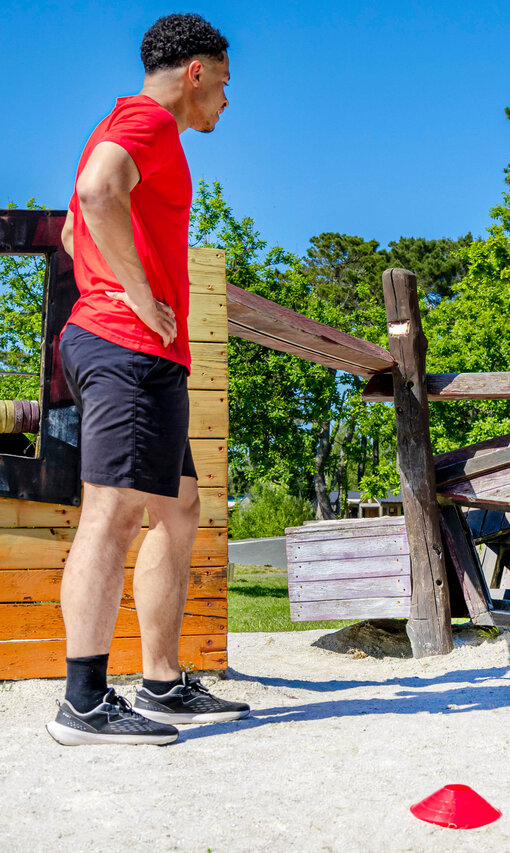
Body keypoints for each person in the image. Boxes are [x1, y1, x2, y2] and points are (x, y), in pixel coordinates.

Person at [46, 14, 249, 746]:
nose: (226, 103)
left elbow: (76, 230)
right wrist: (132, 293)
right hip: (126, 346)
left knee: (180, 506)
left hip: (135, 352)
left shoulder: (129, 126)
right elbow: (97, 196)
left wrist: (112, 282)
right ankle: (84, 703)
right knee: (114, 513)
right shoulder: (149, 123)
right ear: (194, 73)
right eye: (222, 85)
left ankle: (161, 684)